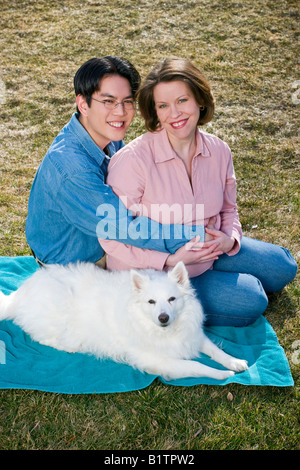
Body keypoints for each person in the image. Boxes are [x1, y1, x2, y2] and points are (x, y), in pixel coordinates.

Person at [100, 58, 297, 326]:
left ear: (200, 101)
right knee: (253, 299)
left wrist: (230, 238)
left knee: (283, 267)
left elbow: (229, 208)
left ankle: (223, 274)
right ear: (154, 112)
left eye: (182, 100)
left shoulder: (218, 150)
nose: (175, 113)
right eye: (163, 106)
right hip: (160, 275)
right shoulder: (131, 161)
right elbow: (111, 239)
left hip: (212, 249)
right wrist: (169, 259)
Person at [25, 56, 205, 267]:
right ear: (83, 104)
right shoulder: (72, 167)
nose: (120, 112)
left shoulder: (105, 136)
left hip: (118, 242)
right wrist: (197, 236)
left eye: (127, 101)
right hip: (78, 268)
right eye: (108, 101)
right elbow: (124, 227)